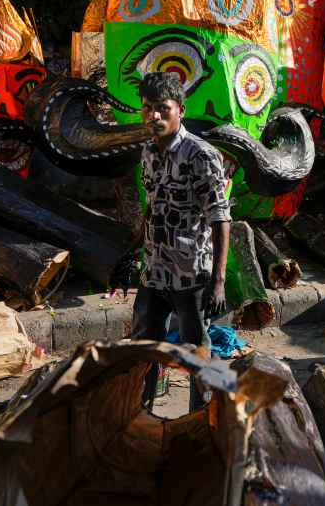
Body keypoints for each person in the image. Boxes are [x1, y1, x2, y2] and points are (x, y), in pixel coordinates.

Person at [130, 71, 231, 411]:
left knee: (198, 351)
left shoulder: (200, 155)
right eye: (147, 108)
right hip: (155, 270)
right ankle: (140, 414)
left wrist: (218, 281)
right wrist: (133, 250)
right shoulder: (148, 152)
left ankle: (205, 418)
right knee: (144, 346)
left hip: (191, 275)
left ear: (180, 110)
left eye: (162, 108)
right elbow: (153, 204)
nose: (153, 116)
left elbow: (220, 218)